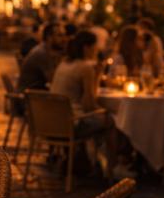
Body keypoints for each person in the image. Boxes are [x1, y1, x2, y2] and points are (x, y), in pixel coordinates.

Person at [49, 30, 119, 175]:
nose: (96, 50)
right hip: (71, 123)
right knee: (111, 121)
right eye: (95, 46)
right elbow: (89, 104)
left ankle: (88, 160)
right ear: (87, 47)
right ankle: (113, 167)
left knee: (102, 118)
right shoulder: (85, 67)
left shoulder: (64, 63)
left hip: (51, 123)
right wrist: (98, 74)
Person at [16, 22, 64, 92]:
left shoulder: (45, 50)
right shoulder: (42, 53)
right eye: (60, 35)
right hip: (27, 97)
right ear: (49, 37)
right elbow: (53, 80)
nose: (64, 39)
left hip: (34, 93)